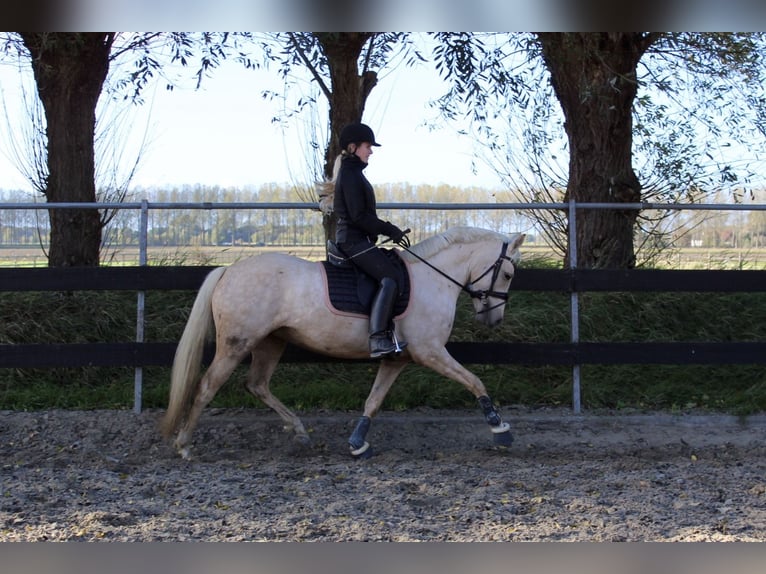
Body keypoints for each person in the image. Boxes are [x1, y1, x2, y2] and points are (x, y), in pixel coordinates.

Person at [333, 122, 409, 358]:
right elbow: (358, 216)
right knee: (391, 277)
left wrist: (387, 231)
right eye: (368, 146)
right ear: (353, 147)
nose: (371, 151)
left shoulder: (353, 172)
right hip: (352, 242)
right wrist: (390, 229)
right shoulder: (350, 174)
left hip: (357, 239)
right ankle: (377, 339)